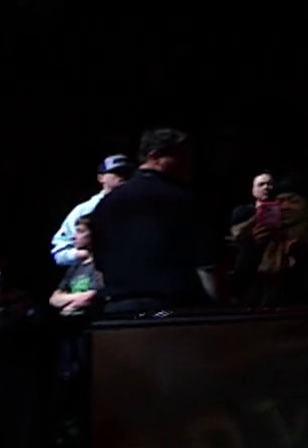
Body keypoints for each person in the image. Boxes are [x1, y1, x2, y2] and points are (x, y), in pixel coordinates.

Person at [87, 128, 217, 314]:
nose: (189, 164)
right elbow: (206, 265)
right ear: (155, 156)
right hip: (175, 312)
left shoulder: (105, 205)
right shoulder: (183, 200)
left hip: (117, 313)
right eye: (182, 156)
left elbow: (99, 268)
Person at [50, 154, 134, 266]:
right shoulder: (84, 210)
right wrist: (81, 254)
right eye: (117, 173)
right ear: (101, 178)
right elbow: (59, 251)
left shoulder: (141, 205)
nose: (122, 178)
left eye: (127, 173)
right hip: (93, 271)